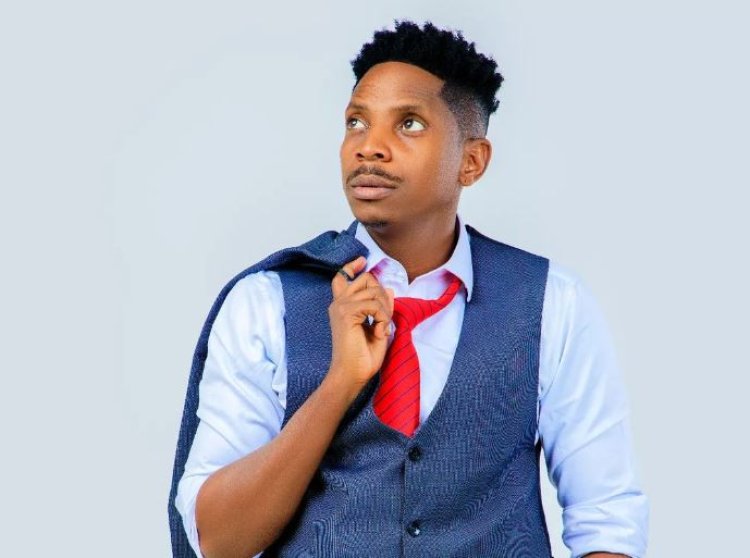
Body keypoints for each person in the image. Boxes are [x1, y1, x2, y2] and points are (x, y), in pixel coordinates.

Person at [168, 20, 649, 558]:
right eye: (356, 122)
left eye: (410, 124)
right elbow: (218, 541)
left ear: (472, 161)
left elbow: (607, 520)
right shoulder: (266, 304)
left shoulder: (551, 304)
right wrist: (339, 385)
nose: (369, 148)